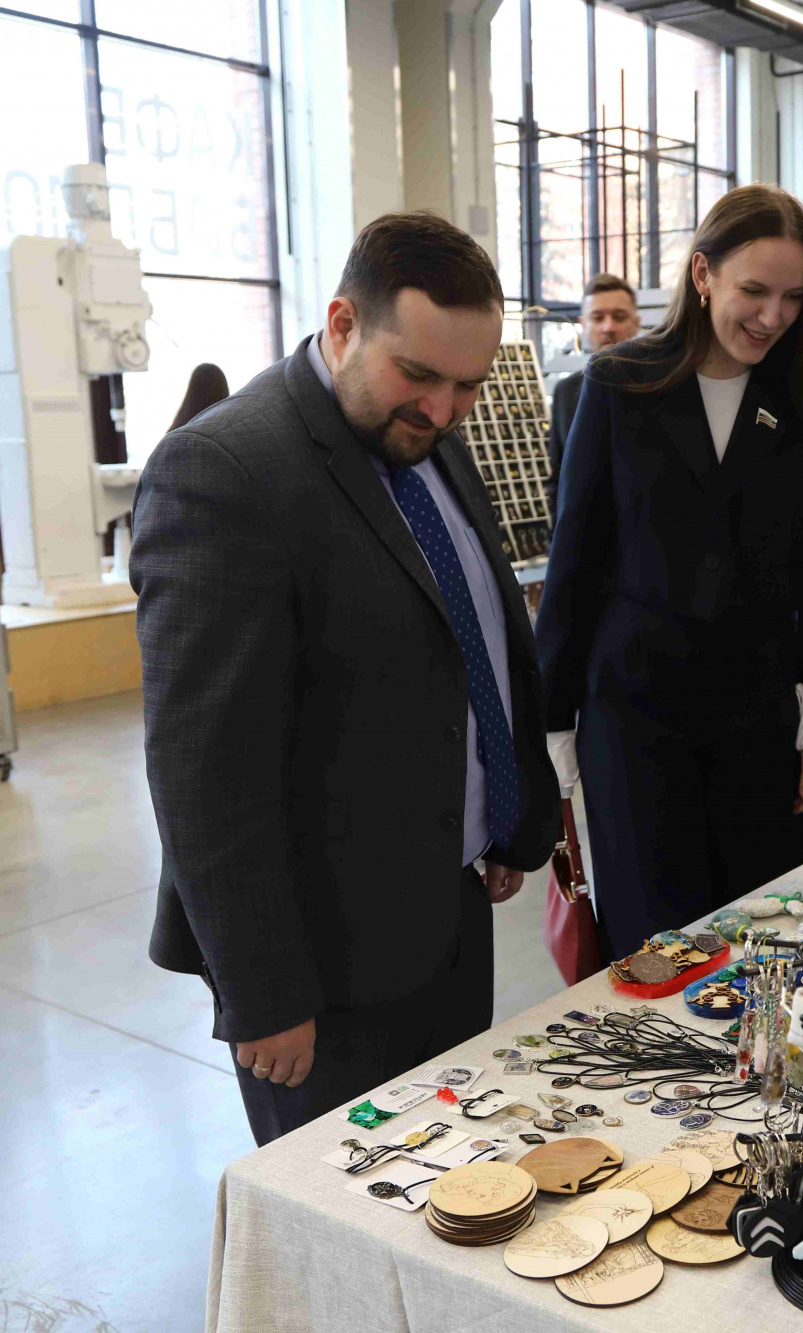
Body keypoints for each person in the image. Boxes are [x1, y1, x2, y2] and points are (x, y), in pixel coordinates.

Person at [131, 212, 562, 1146]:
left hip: (446, 914)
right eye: (419, 375)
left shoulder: (428, 438)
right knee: (348, 1204)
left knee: (457, 1179)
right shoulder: (225, 471)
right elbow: (205, 770)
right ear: (342, 324)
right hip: (322, 971)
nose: (444, 409)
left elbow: (477, 639)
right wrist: (263, 992)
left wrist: (508, 814)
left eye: (469, 385)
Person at [536, 183, 803, 958]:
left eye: (793, 297)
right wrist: (552, 723)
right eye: (754, 290)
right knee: (654, 946)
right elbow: (576, 557)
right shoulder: (618, 384)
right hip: (634, 723)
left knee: (767, 938)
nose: (772, 316)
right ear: (703, 274)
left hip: (761, 721)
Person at [545, 273, 641, 513]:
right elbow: (559, 480)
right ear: (584, 324)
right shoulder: (565, 393)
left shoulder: (662, 386)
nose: (608, 327)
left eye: (619, 317)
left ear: (636, 322)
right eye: (598, 318)